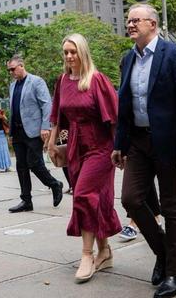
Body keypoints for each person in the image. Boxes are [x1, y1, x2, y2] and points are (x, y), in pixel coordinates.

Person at [113, 4, 176, 298]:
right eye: (128, 20)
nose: (130, 24)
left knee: (170, 205)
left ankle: (174, 274)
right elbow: (124, 106)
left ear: (152, 23)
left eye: (135, 20)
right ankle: (164, 252)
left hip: (168, 142)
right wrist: (119, 144)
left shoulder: (174, 55)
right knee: (130, 199)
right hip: (137, 142)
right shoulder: (127, 60)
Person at [47, 34, 121, 283]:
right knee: (93, 201)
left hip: (100, 148)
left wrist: (120, 149)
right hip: (76, 147)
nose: (69, 56)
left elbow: (114, 116)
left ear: (83, 52)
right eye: (66, 52)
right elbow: (58, 116)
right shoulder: (62, 81)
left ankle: (87, 255)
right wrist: (52, 144)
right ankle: (106, 252)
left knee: (82, 196)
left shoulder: (97, 80)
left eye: (73, 51)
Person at [7, 55, 63, 213]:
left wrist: (46, 127)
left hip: (34, 130)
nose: (11, 72)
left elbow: (47, 105)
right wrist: (11, 132)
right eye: (9, 70)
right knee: (21, 166)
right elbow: (14, 110)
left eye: (13, 69)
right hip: (18, 131)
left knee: (34, 163)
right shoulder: (13, 86)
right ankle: (26, 200)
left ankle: (54, 184)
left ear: (21, 65)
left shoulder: (36, 81)